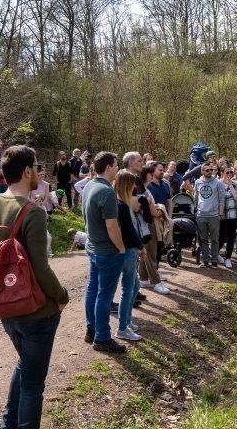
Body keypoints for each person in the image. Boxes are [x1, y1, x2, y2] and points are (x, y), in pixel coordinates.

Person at [0, 145, 69, 428]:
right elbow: (41, 268)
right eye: (37, 167)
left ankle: (7, 424)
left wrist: (2, 291)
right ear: (27, 172)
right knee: (33, 387)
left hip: (7, 312)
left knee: (25, 365)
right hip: (38, 313)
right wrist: (62, 297)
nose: (39, 172)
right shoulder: (33, 212)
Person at [81, 151, 127, 353]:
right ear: (108, 167)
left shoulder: (90, 184)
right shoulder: (107, 191)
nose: (118, 168)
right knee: (104, 296)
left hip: (93, 247)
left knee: (93, 289)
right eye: (116, 165)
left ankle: (91, 330)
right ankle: (102, 337)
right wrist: (121, 248)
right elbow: (112, 227)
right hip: (107, 251)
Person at [124, 152, 168, 294]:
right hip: (135, 223)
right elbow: (135, 205)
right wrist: (156, 209)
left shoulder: (137, 181)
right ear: (131, 162)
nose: (142, 164)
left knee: (143, 253)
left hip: (141, 222)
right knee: (149, 252)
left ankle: (142, 280)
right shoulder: (125, 178)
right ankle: (155, 281)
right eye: (139, 161)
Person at [112, 169, 145, 342]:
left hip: (126, 250)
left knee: (135, 285)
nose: (135, 186)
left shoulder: (118, 202)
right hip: (128, 251)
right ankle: (122, 328)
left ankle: (126, 320)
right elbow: (129, 232)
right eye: (133, 183)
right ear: (127, 184)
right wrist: (141, 246)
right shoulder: (122, 206)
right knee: (128, 288)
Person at [194, 162, 225, 268]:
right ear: (202, 171)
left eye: (211, 170)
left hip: (214, 215)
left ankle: (214, 261)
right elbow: (196, 197)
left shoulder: (218, 182)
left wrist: (220, 214)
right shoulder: (198, 182)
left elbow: (222, 199)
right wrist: (195, 211)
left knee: (214, 239)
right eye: (207, 170)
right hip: (201, 215)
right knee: (202, 239)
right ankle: (206, 261)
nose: (210, 172)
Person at [217, 167, 237, 268]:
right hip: (223, 216)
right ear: (222, 173)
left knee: (231, 237)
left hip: (234, 215)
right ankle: (216, 254)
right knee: (221, 237)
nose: (229, 174)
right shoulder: (218, 184)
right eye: (227, 172)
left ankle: (228, 258)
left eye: (231, 172)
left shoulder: (235, 184)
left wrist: (230, 185)